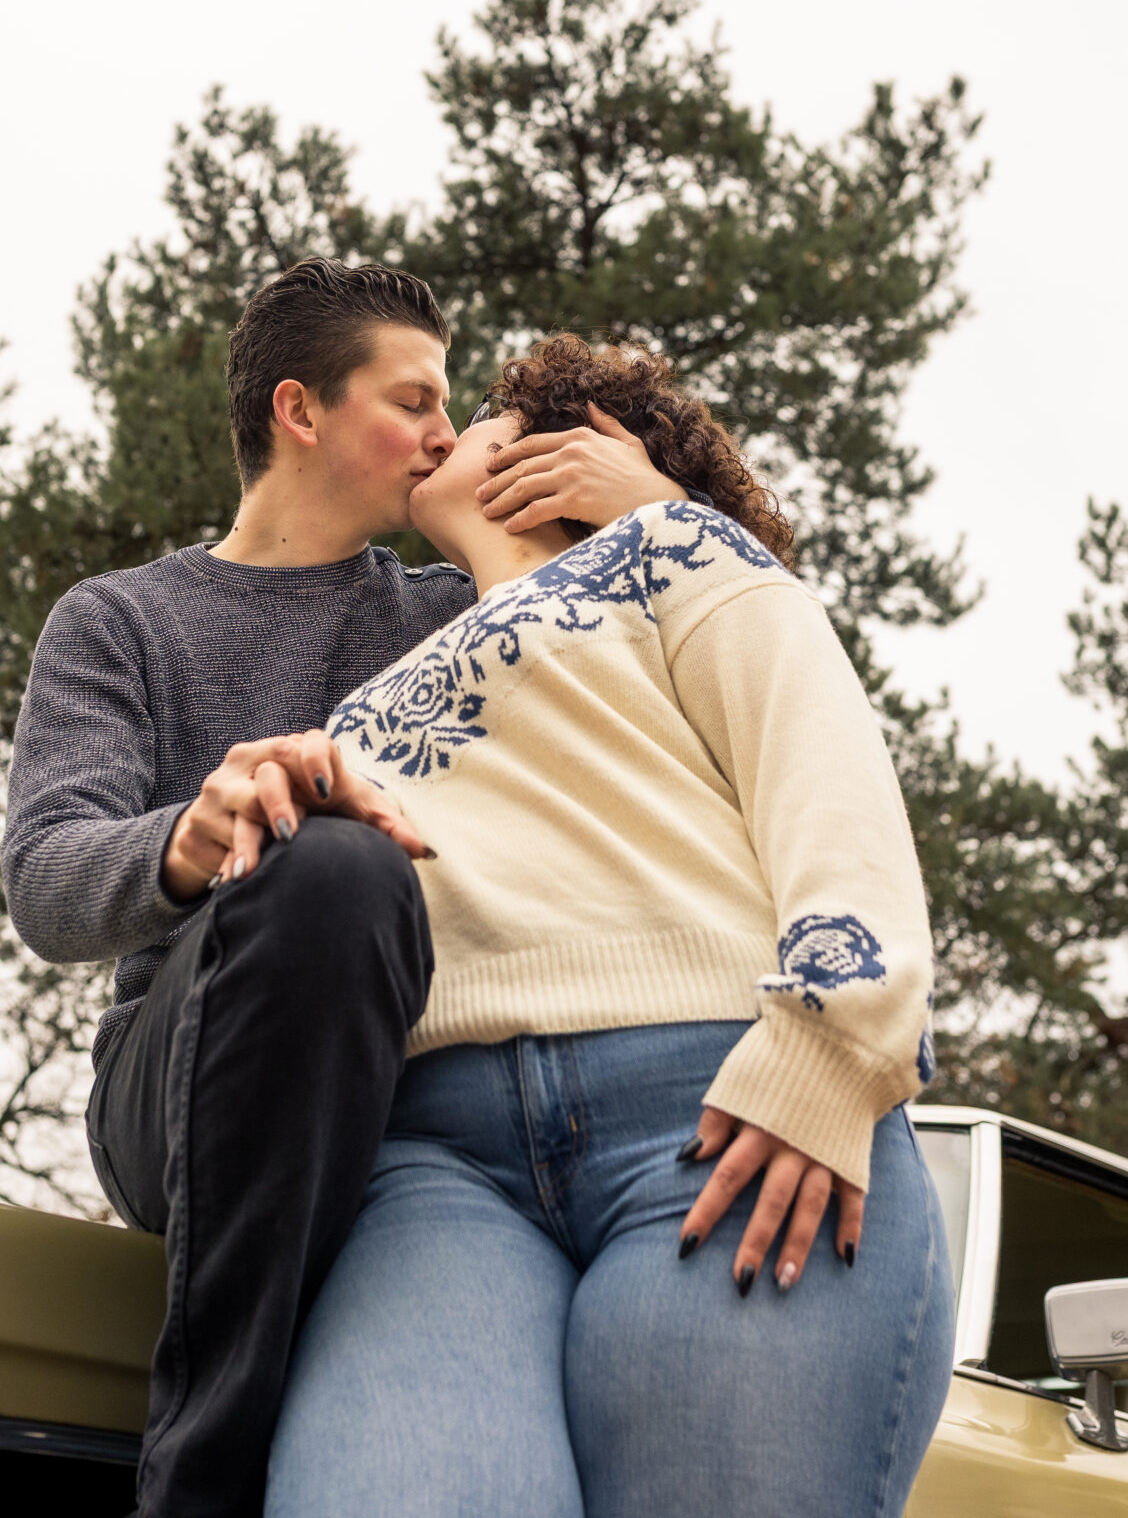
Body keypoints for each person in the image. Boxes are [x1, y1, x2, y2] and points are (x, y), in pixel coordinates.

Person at [1, 262, 688, 1518]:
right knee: (326, 861)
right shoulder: (120, 623)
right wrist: (194, 837)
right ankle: (198, 1479)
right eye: (415, 399)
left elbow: (717, 686)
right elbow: (46, 884)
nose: (447, 436)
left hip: (428, 1114)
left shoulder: (463, 608)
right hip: (184, 1088)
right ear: (299, 410)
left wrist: (654, 509)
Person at [242, 335, 955, 1518]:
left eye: (472, 417)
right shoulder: (367, 697)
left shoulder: (677, 555)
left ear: (564, 448)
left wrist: (830, 1048)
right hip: (430, 1160)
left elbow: (830, 797)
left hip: (721, 1104)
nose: (440, 434)